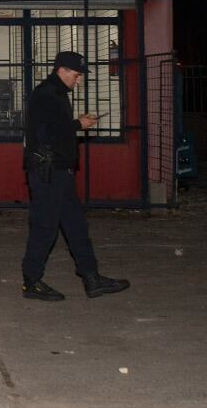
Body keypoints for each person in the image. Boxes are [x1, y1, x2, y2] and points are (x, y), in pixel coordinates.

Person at [21, 50, 129, 301]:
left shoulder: (56, 95)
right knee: (45, 227)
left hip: (60, 172)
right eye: (76, 75)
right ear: (62, 70)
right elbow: (47, 133)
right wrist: (78, 124)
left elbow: (55, 132)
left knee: (76, 226)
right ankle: (31, 281)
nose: (78, 80)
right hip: (49, 173)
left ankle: (92, 278)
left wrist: (77, 126)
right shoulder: (45, 95)